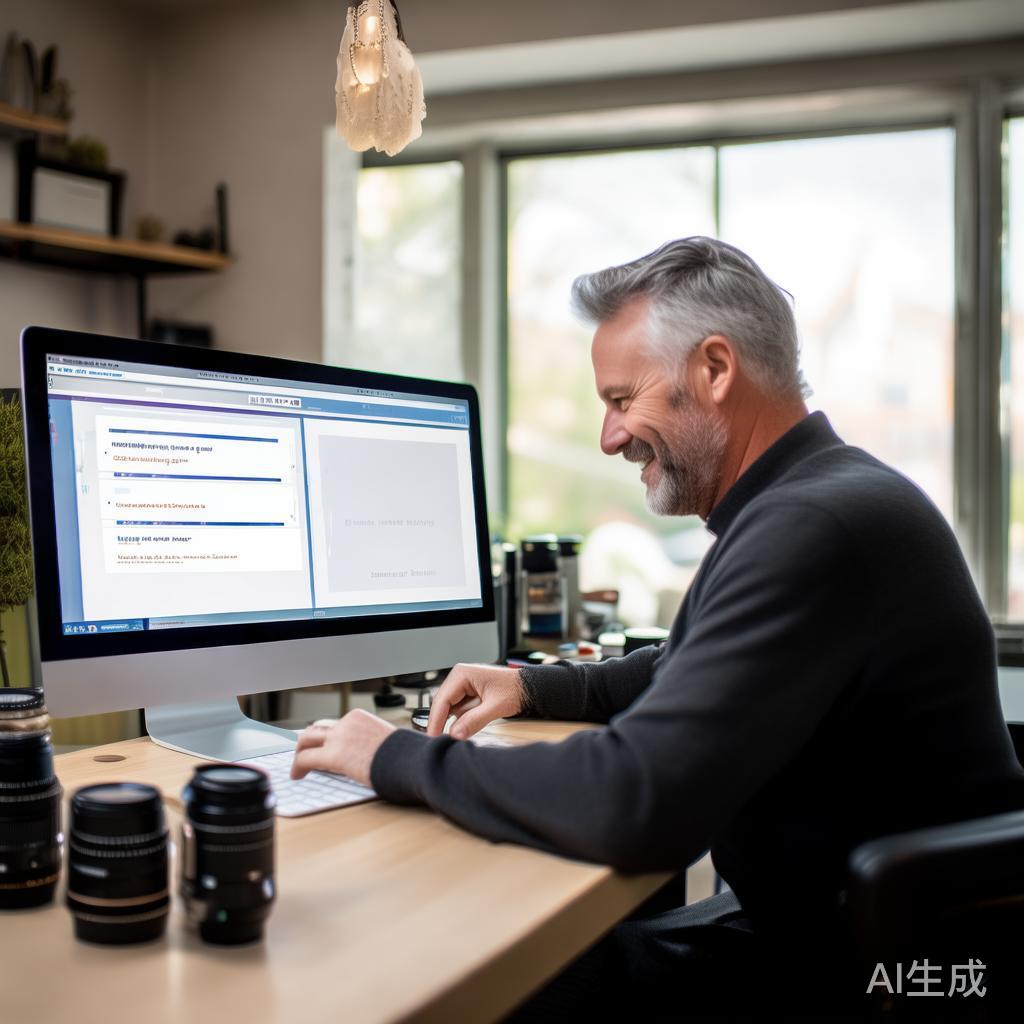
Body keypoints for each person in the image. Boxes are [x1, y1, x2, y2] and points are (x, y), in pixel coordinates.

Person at [292, 237, 1024, 1016]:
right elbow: (683, 666)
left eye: (620, 399)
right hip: (852, 927)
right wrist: (531, 685)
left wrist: (396, 757)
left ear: (714, 371)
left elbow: (633, 802)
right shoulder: (824, 498)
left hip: (875, 974)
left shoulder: (812, 527)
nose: (609, 437)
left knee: (480, 978)